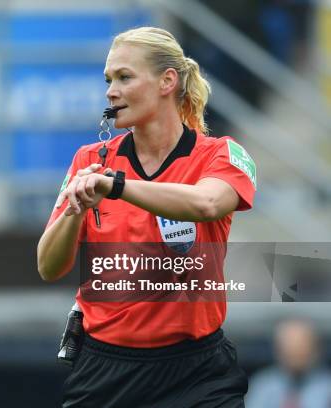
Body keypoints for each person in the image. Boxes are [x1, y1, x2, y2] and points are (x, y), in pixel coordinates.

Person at [37, 27, 256, 407]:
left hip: (197, 374)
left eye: (124, 77)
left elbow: (205, 203)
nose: (110, 90)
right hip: (105, 371)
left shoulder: (221, 154)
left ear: (167, 82)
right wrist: (77, 209)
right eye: (108, 80)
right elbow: (48, 266)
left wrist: (116, 186)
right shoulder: (90, 161)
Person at [247, 319, 331, 408]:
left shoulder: (328, 388)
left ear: (316, 350)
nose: (295, 354)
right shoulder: (262, 386)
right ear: (278, 350)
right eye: (289, 349)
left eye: (301, 348)